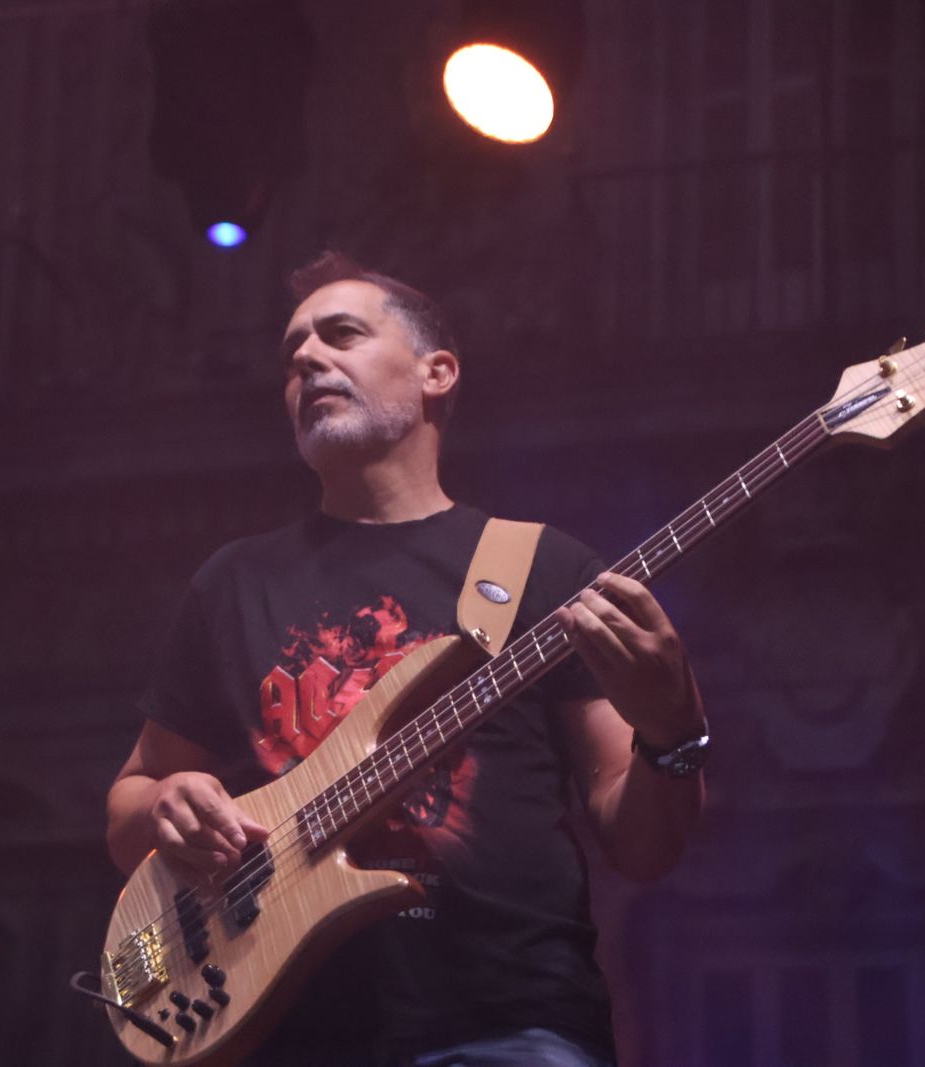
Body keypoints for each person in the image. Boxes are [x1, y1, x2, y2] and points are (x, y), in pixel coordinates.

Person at [105, 252, 707, 1067]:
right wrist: (165, 803)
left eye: (341, 334)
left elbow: (642, 845)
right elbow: (130, 801)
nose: (308, 359)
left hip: (504, 1020)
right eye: (292, 355)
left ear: (438, 372)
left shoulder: (538, 568)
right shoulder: (234, 583)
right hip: (274, 1023)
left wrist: (673, 731)